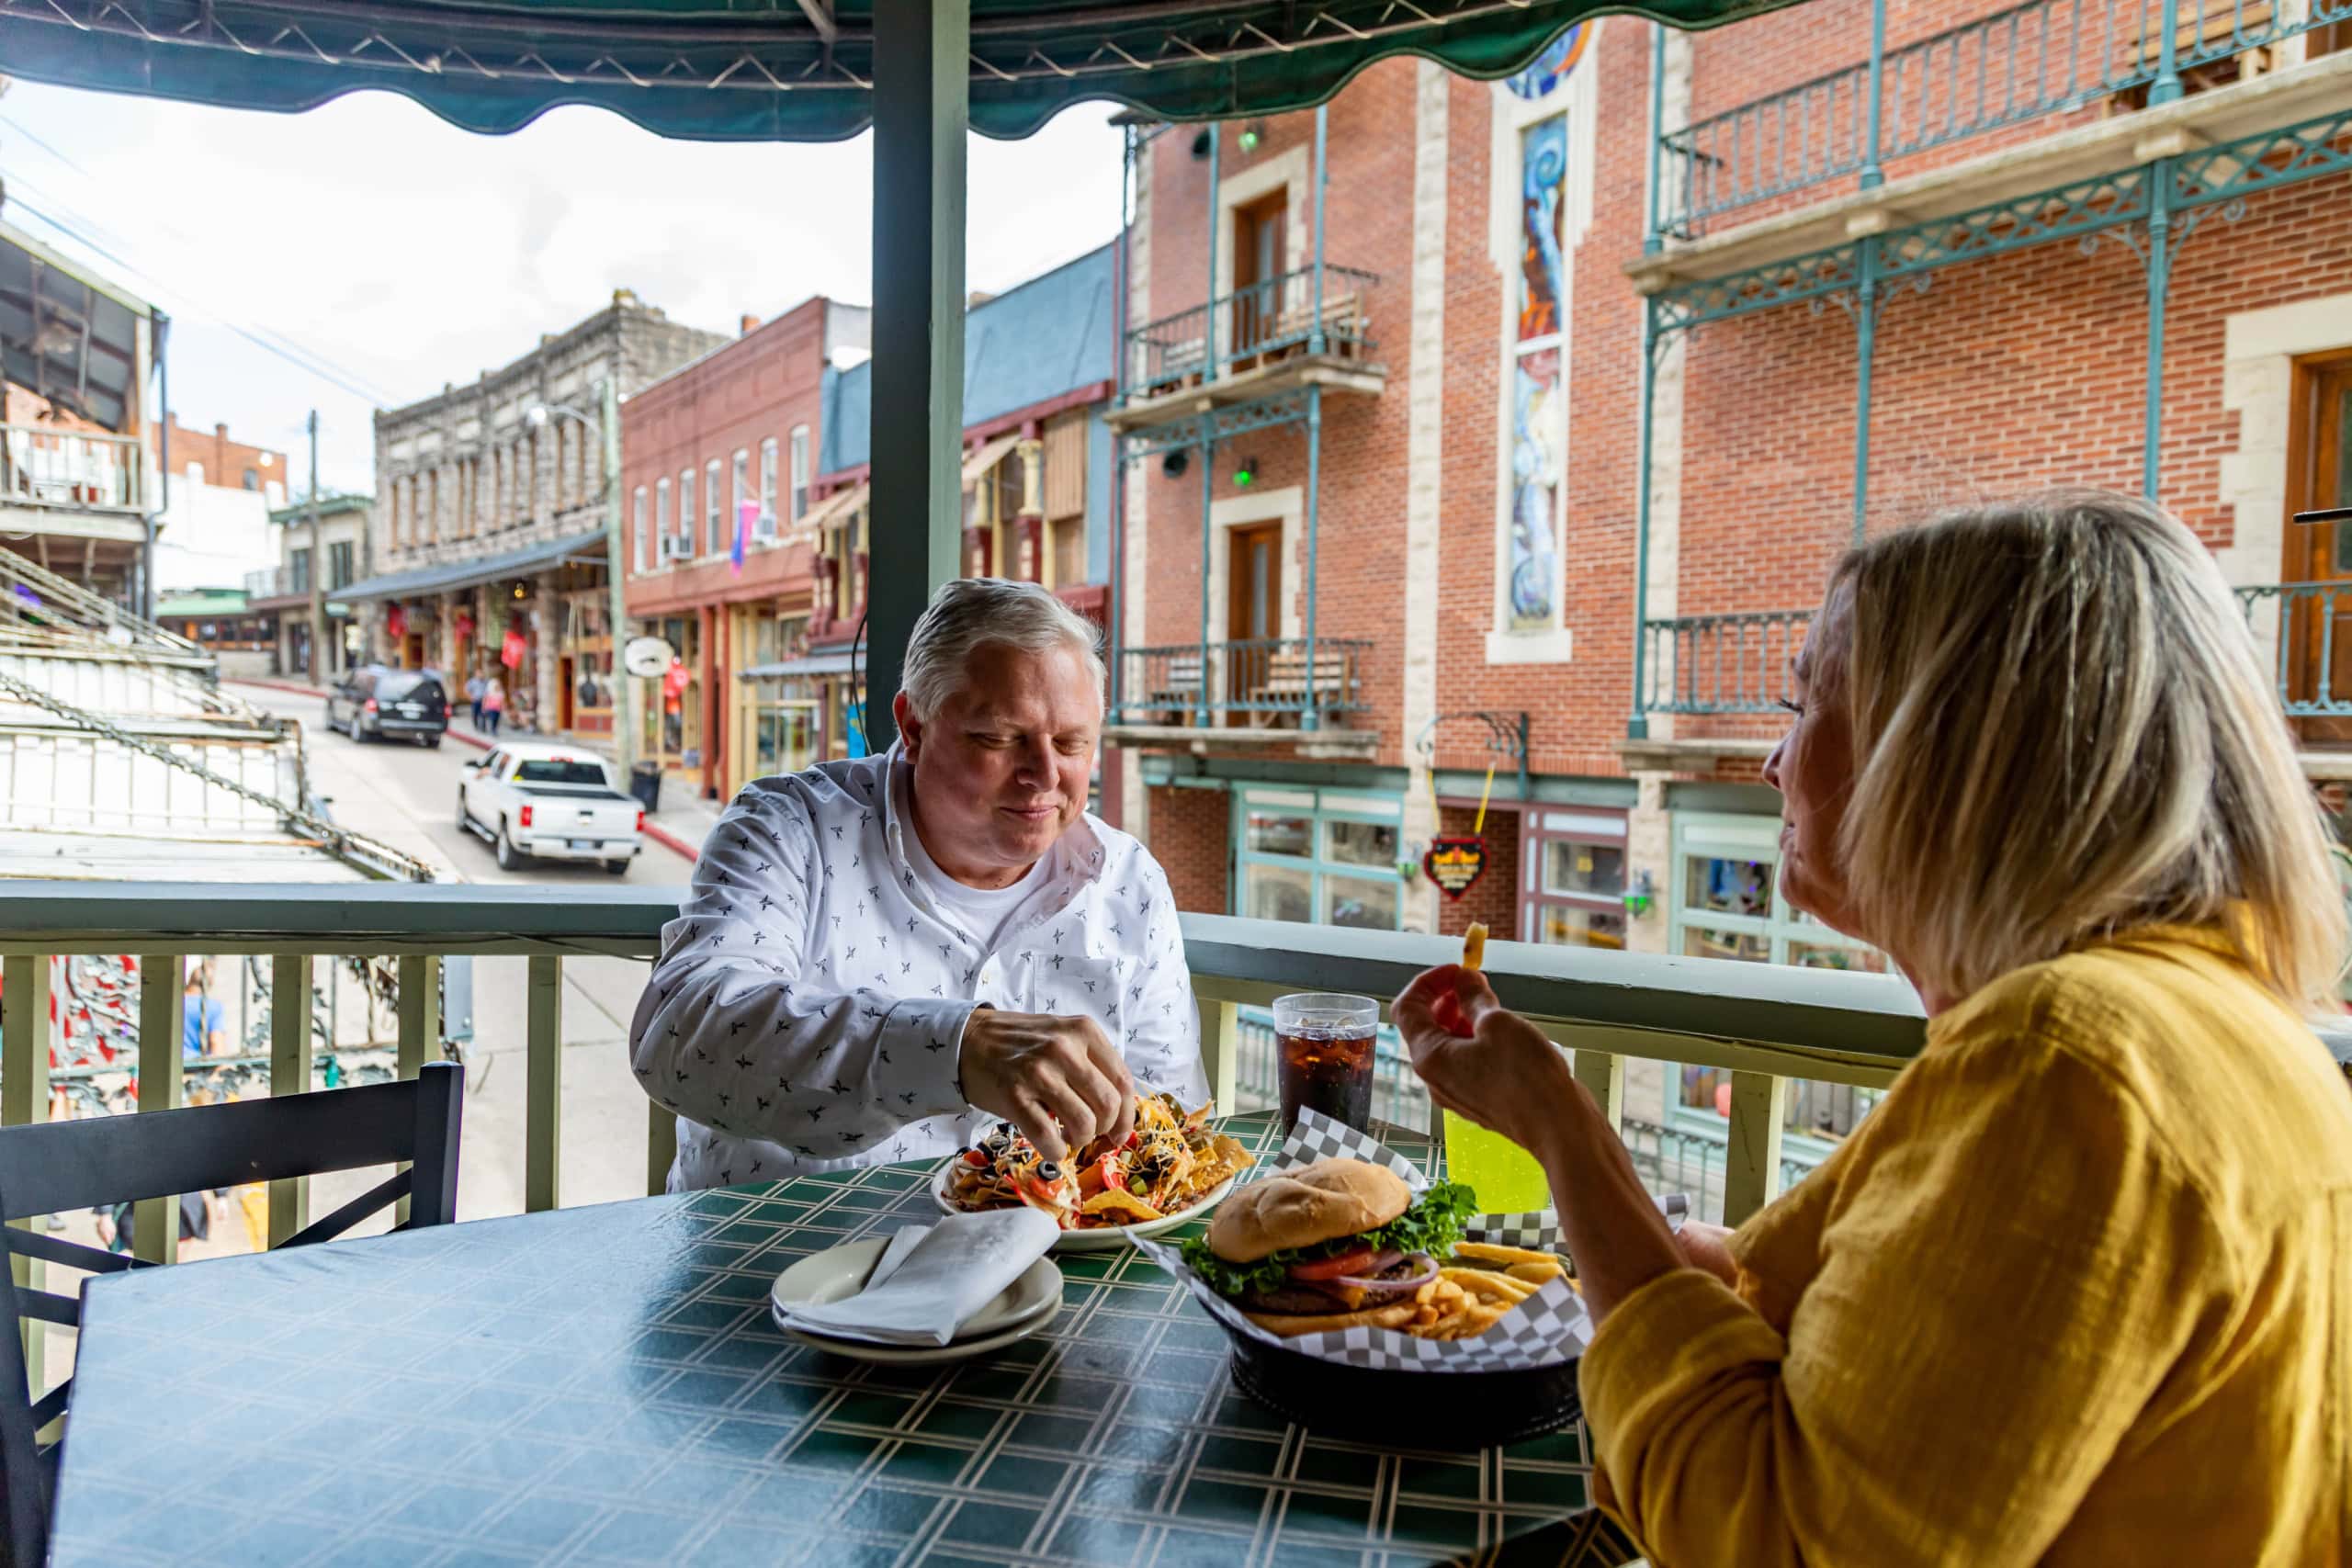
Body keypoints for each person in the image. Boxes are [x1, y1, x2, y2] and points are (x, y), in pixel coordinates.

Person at [1395, 491, 2352, 1565]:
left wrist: (1560, 1131)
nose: (1772, 764)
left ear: (1939, 751)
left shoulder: (2067, 1062)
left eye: (1803, 710)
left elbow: (1781, 1540)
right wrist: (1721, 1285)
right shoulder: (2218, 1027)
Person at [630, 578, 1207, 1187]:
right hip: (768, 1261)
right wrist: (955, 1051)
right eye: (999, 738)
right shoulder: (787, 829)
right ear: (914, 725)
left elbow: (1172, 1130)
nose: (1043, 774)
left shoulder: (1130, 884)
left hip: (1042, 1274)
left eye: (1071, 741)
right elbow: (681, 1038)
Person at [181, 962, 227, 1058]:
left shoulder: (172, 1002)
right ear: (211, 983)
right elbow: (216, 1044)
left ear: (190, 979)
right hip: (195, 1066)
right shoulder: (213, 1007)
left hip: (167, 1062)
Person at [481, 672, 504, 738]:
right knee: (493, 719)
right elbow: (485, 700)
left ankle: (494, 729)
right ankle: (493, 729)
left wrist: (502, 707)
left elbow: (502, 701)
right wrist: (483, 707)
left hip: (498, 708)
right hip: (491, 708)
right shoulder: (490, 692)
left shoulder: (500, 693)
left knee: (497, 719)